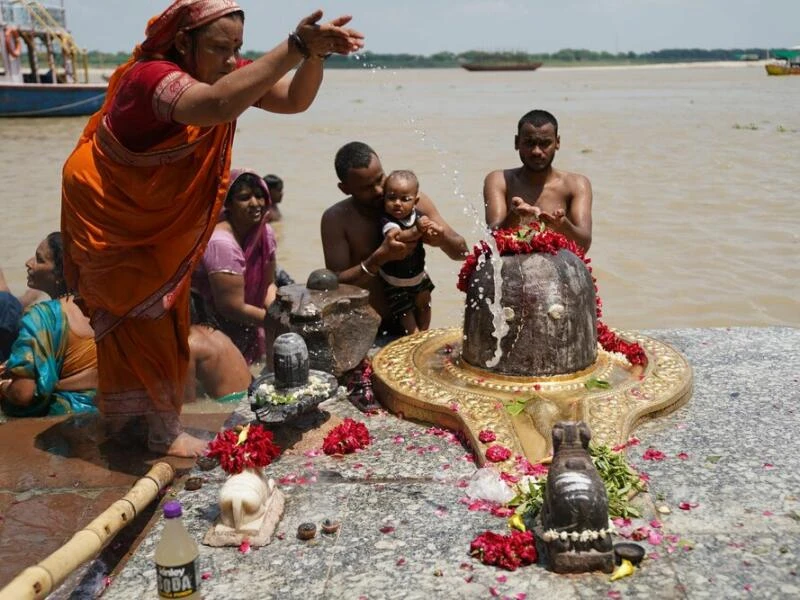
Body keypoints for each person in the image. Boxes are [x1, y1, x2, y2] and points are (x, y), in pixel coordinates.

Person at [60, 0, 363, 457]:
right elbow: (216, 105)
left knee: (161, 309)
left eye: (237, 48)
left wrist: (314, 57)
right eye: (220, 47)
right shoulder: (152, 78)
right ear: (183, 41)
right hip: (109, 209)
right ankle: (159, 432)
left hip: (153, 218)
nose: (229, 60)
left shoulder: (221, 71)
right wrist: (296, 45)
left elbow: (294, 101)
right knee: (140, 311)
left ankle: (134, 421)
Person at [321, 142, 467, 335]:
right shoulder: (336, 219)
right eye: (366, 188)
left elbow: (462, 252)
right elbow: (334, 287)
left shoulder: (412, 201)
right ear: (345, 189)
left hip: (415, 326)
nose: (379, 191)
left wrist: (442, 241)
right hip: (368, 330)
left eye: (380, 179)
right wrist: (378, 259)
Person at [0, 233, 97, 416]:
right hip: (104, 412)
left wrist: (3, 387)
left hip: (62, 422)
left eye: (39, 259)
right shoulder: (105, 309)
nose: (28, 263)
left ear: (61, 274)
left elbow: (23, 394)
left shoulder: (42, 317)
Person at [192, 169, 277, 365]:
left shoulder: (264, 233)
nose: (255, 204)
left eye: (259, 196)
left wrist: (279, 313)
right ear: (228, 204)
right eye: (244, 198)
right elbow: (230, 307)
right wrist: (276, 323)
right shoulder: (221, 243)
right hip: (214, 326)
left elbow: (269, 284)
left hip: (253, 322)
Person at [483, 109, 593, 252]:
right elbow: (493, 238)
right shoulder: (499, 180)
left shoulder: (577, 184)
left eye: (545, 143)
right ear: (517, 143)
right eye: (529, 143)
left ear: (557, 143)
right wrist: (515, 216)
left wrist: (562, 225)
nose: (536, 151)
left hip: (559, 266)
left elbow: (584, 244)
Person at [378, 170, 437, 334]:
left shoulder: (418, 216)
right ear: (384, 198)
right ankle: (414, 336)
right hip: (395, 280)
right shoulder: (387, 220)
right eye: (391, 198)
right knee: (405, 313)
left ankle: (425, 333)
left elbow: (430, 234)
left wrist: (433, 232)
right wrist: (417, 230)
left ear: (415, 201)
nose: (397, 203)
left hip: (418, 275)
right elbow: (398, 236)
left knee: (425, 302)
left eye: (405, 199)